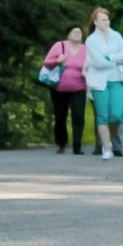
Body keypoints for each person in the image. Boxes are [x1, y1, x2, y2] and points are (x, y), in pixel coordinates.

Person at [83, 6, 123, 158]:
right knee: (102, 115)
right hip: (99, 82)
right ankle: (106, 148)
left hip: (117, 79)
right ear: (95, 22)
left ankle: (111, 140)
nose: (106, 22)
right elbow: (99, 63)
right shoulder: (91, 40)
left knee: (117, 115)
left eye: (107, 19)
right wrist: (116, 59)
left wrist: (109, 58)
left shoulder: (116, 36)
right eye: (103, 20)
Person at [41, 26, 89, 155]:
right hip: (59, 89)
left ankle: (77, 145)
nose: (78, 34)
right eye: (74, 31)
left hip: (79, 88)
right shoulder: (59, 46)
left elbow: (92, 65)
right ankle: (61, 143)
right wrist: (58, 61)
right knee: (60, 116)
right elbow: (46, 63)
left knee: (79, 115)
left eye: (79, 32)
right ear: (68, 34)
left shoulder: (86, 49)